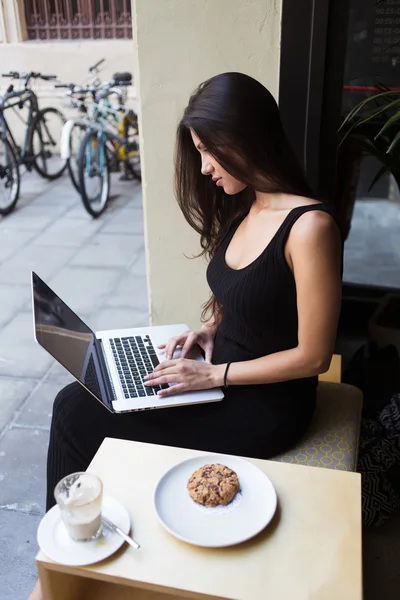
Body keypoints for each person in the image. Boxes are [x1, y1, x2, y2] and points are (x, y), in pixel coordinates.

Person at [29, 72, 341, 599]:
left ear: (244, 136)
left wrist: (212, 372)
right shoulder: (248, 206)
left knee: (75, 410)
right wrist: (210, 330)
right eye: (198, 152)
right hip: (221, 378)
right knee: (89, 394)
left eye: (209, 151)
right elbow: (246, 294)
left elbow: (312, 356)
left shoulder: (310, 228)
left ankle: (55, 578)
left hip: (266, 409)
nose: (204, 168)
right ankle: (70, 559)